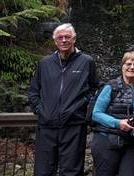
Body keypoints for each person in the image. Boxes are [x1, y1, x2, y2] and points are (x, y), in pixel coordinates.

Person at [29, 23, 99, 176]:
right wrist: (41, 110)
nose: (64, 40)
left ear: (74, 39)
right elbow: (34, 91)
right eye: (60, 37)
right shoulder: (45, 63)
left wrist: (81, 106)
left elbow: (95, 88)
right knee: (43, 171)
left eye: (67, 37)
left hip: (74, 126)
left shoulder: (86, 62)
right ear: (55, 41)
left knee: (71, 171)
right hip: (47, 126)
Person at [91, 51, 134, 176]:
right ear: (122, 66)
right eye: (128, 64)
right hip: (106, 140)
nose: (132, 67)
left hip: (129, 141)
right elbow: (96, 113)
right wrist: (117, 123)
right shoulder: (111, 87)